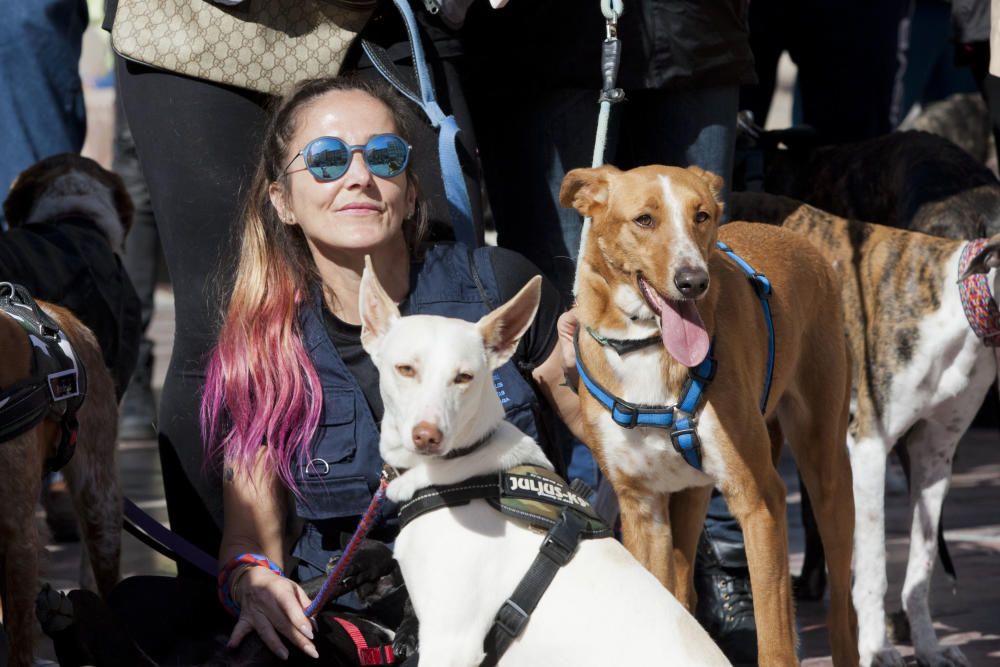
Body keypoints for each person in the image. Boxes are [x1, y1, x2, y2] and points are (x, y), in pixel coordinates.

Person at [196, 75, 581, 663]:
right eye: (325, 161)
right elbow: (250, 542)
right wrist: (253, 583)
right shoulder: (264, 350)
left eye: (384, 156)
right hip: (353, 627)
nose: (358, 177)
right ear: (282, 202)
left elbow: (608, 456)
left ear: (409, 187)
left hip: (515, 606)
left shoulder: (497, 290)